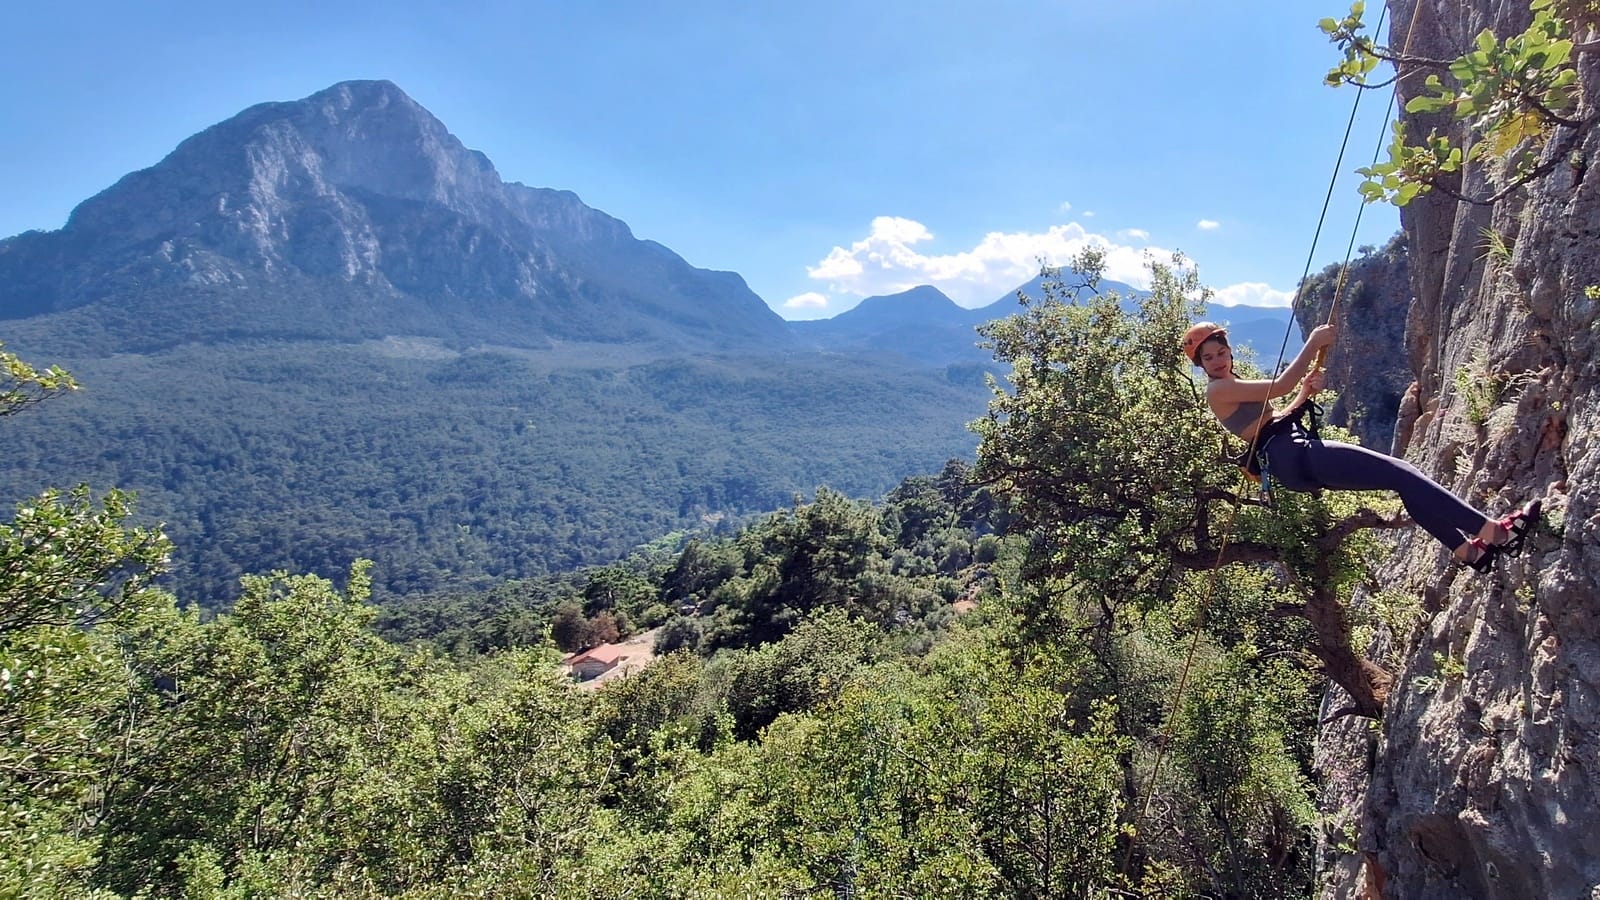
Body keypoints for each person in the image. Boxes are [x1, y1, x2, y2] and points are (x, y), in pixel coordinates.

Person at [1182, 321, 1540, 572]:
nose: (1218, 360)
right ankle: (1494, 532)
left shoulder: (1231, 382)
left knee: (1400, 481)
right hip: (1292, 454)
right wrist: (1315, 341)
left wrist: (1305, 394)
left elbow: (1272, 420)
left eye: (1220, 351)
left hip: (1289, 454)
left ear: (1228, 350)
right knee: (1402, 472)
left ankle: (1468, 552)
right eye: (1208, 358)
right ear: (1200, 366)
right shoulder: (1219, 390)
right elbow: (1280, 385)